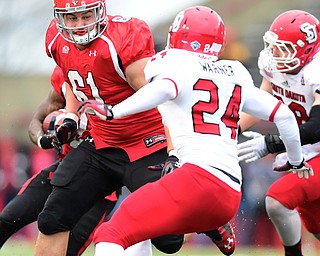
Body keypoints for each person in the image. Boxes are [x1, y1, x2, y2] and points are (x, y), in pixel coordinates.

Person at [76, 5, 313, 255]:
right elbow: (285, 116)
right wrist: (296, 161)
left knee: (110, 234)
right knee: (136, 231)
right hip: (230, 192)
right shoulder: (234, 71)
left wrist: (114, 111)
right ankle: (217, 229)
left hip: (195, 181)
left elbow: (166, 89)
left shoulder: (173, 63)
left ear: (177, 35)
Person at [33, 0, 186, 255]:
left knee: (169, 241)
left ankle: (204, 217)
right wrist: (71, 115)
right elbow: (73, 75)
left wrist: (174, 151)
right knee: (53, 217)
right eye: (72, 19)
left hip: (146, 144)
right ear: (60, 18)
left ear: (100, 11)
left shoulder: (120, 40)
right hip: (102, 144)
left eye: (85, 16)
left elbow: (162, 97)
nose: (80, 26)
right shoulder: (56, 40)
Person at [0, 65, 152, 255]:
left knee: (68, 249)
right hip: (65, 167)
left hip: (98, 180)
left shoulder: (118, 86)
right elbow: (37, 120)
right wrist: (44, 138)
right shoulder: (66, 74)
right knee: (8, 218)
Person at [237, 10, 320, 256]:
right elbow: (261, 105)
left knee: (277, 201)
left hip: (315, 149)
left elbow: (316, 127)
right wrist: (228, 131)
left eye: (283, 49)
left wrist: (272, 144)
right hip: (305, 155)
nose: (275, 54)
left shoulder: (315, 71)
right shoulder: (276, 68)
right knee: (317, 230)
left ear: (306, 50)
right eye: (273, 47)